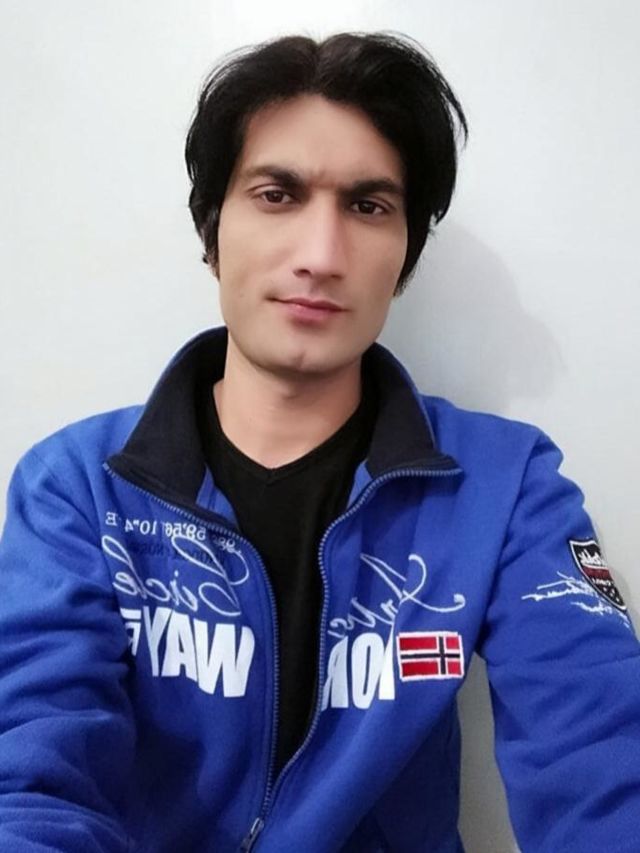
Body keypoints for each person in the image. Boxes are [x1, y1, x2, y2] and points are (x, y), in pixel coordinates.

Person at [0, 30, 638, 853]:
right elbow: (31, 779)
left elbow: (601, 754)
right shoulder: (79, 486)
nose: (321, 255)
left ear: (405, 253)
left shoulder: (505, 485)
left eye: (369, 207)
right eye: (277, 194)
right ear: (212, 228)